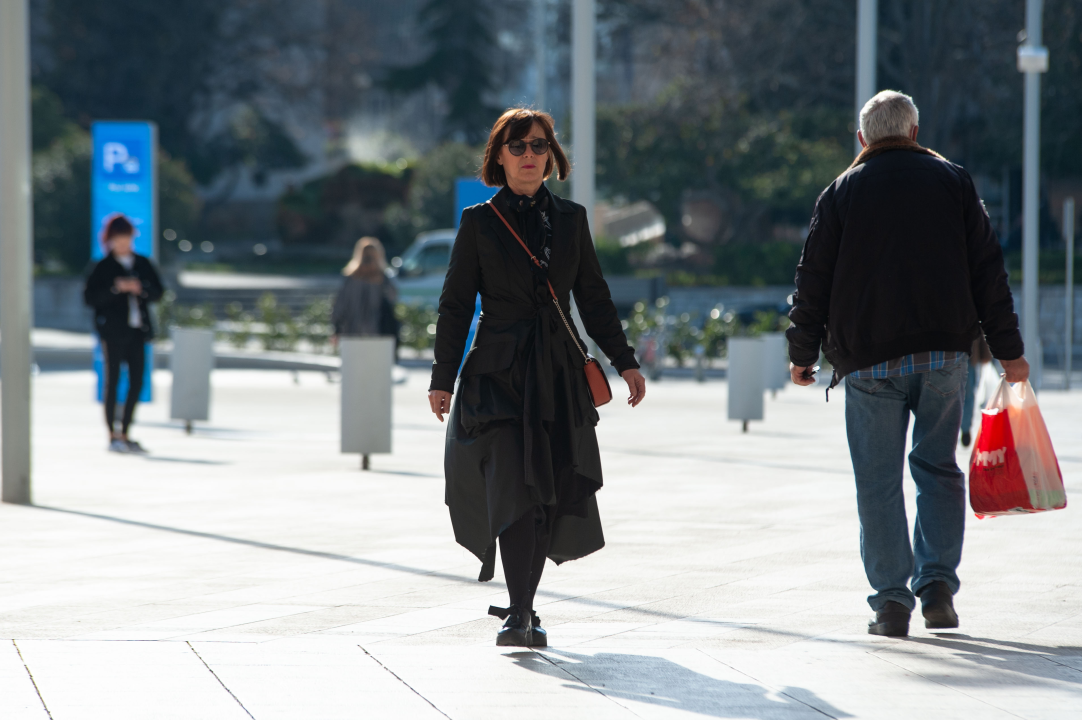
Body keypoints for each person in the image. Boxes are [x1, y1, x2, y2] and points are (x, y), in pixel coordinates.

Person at [786, 91, 1028, 637]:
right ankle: (937, 587)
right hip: (943, 353)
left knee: (877, 481)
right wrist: (1009, 353)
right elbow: (989, 273)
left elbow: (812, 281)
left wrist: (802, 355)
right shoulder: (954, 182)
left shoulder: (840, 192)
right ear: (915, 132)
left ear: (862, 139)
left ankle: (892, 603)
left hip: (868, 361)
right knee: (938, 468)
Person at [428, 108, 647, 647]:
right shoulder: (478, 222)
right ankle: (521, 612)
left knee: (547, 488)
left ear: (552, 156)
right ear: (498, 157)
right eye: (518, 146)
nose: (530, 155)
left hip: (556, 372)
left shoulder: (571, 220)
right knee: (512, 486)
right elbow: (455, 305)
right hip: (496, 373)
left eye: (539, 146)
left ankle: (523, 606)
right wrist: (442, 376)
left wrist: (626, 361)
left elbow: (593, 298)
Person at [84, 215, 165, 453]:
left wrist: (141, 289)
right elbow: (90, 298)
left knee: (137, 380)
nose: (122, 243)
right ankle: (112, 434)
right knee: (113, 380)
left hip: (138, 329)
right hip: (113, 331)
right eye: (117, 239)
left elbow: (158, 292)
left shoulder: (142, 263)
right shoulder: (103, 266)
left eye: (126, 238)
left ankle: (126, 431)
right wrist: (116, 289)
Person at [331, 237, 399, 347]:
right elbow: (393, 298)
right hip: (377, 331)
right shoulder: (384, 278)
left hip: (352, 331)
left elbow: (340, 304)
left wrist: (336, 327)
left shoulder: (351, 277)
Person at [960, 335, 993, 447]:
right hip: (961, 354)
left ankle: (965, 428)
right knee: (967, 395)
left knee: (967, 395)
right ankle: (964, 427)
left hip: (968, 355)